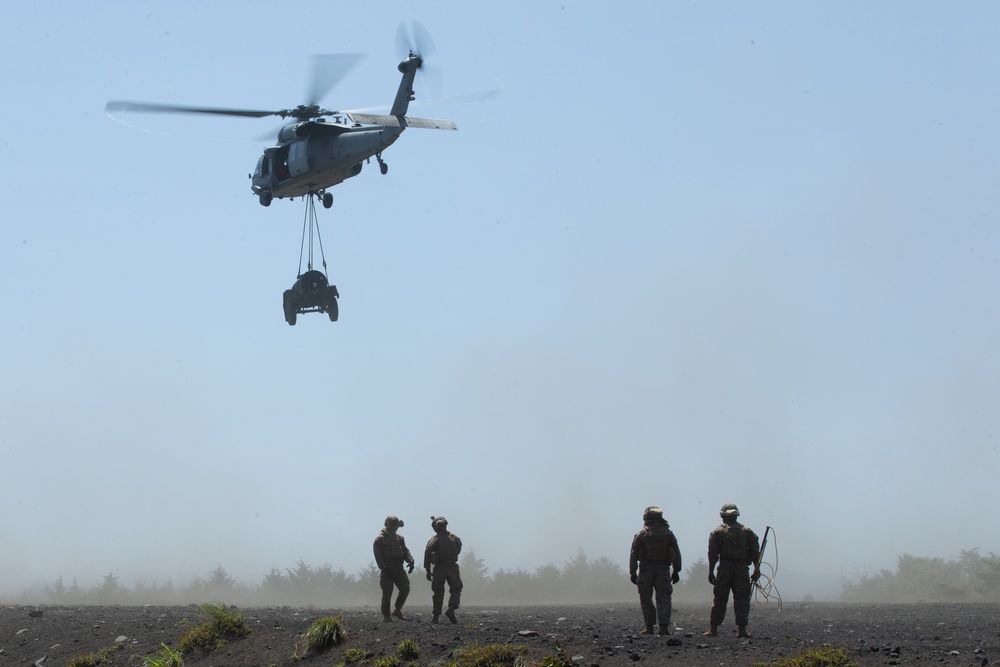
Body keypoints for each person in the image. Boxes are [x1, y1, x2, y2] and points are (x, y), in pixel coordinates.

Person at [703, 503, 760, 638]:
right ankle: (742, 630)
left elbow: (712, 554)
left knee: (720, 598)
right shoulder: (747, 532)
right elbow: (755, 552)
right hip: (741, 569)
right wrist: (756, 570)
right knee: (742, 598)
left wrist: (710, 572)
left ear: (723, 516)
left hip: (724, 569)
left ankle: (713, 629)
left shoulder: (717, 532)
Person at [628, 506, 683, 635]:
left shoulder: (641, 534)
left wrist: (632, 572)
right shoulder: (667, 533)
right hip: (663, 569)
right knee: (664, 597)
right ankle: (663, 627)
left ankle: (649, 627)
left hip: (646, 569)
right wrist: (676, 571)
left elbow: (634, 554)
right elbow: (676, 553)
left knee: (646, 598)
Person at [373, 515, 415, 621]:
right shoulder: (380, 539)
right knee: (387, 593)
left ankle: (397, 610)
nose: (394, 527)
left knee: (405, 588)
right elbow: (378, 556)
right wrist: (384, 567)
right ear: (387, 525)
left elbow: (405, 551)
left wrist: (410, 560)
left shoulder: (399, 538)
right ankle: (386, 616)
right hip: (387, 570)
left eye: (395, 525)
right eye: (392, 525)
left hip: (399, 568)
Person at [423, 516, 464, 624]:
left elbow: (427, 554)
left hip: (441, 567)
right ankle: (450, 609)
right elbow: (458, 549)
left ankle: (437, 616)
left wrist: (427, 570)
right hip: (450, 567)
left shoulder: (435, 540)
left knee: (440, 592)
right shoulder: (454, 538)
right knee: (454, 590)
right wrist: (427, 569)